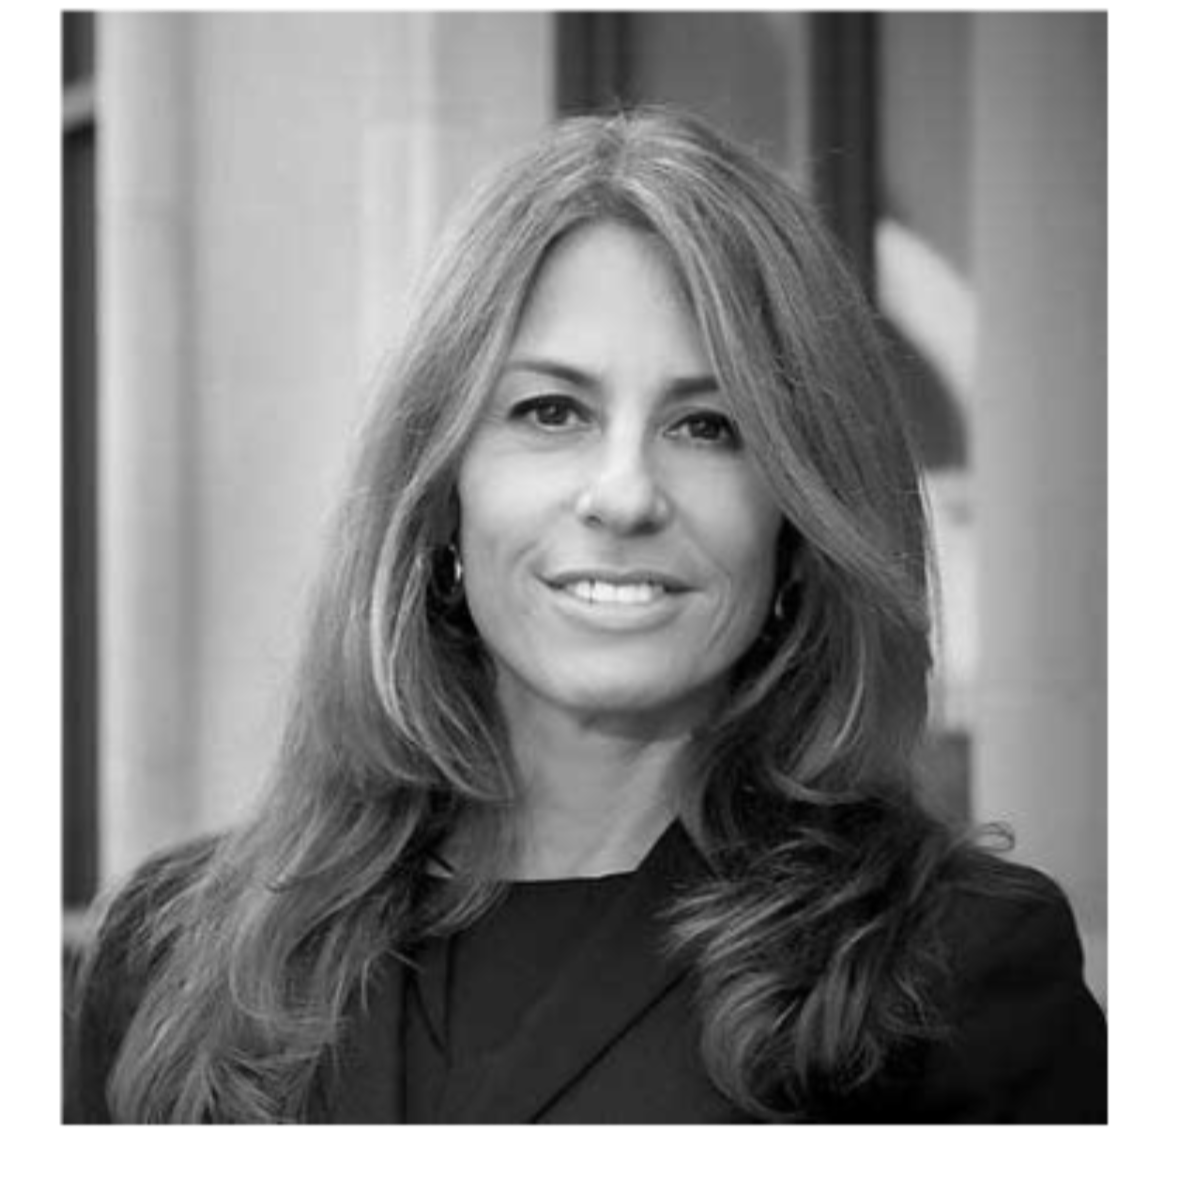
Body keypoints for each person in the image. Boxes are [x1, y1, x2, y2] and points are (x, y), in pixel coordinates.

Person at [66, 107, 1106, 1125]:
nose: (623, 493)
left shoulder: (953, 973)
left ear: (797, 518)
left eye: (709, 425)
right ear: (441, 492)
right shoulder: (173, 953)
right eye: (551, 412)